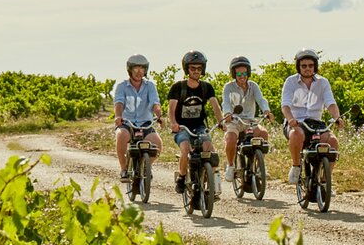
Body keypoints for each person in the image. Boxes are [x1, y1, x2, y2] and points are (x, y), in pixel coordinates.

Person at [281, 48, 343, 184]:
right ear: (299, 67)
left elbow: (330, 103)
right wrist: (290, 119)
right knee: (297, 134)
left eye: (310, 65)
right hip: (296, 122)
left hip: (316, 124)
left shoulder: (323, 82)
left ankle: (325, 181)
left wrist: (336, 117)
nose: (307, 69)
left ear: (315, 66)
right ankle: (296, 166)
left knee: (333, 142)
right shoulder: (290, 82)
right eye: (304, 66)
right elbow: (285, 105)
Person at [168, 50, 225, 195]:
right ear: (187, 69)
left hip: (199, 127)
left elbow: (215, 106)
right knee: (186, 148)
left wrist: (221, 121)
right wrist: (174, 123)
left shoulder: (206, 87)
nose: (196, 71)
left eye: (199, 68)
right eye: (193, 68)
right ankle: (181, 178)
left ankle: (209, 183)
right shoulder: (178, 87)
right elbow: (171, 109)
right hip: (182, 127)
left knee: (210, 152)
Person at [222, 56, 274, 182]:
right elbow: (226, 103)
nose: (242, 76)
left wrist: (267, 111)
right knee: (230, 139)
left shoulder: (253, 86)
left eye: (244, 73)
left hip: (250, 121)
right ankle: (230, 166)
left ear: (248, 73)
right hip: (235, 120)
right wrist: (228, 113)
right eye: (238, 73)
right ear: (234, 74)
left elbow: (261, 100)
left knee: (263, 134)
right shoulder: (228, 87)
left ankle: (260, 165)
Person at [113, 54, 163, 182]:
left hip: (145, 123)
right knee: (121, 135)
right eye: (136, 68)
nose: (139, 72)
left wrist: (159, 116)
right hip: (127, 123)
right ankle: (124, 169)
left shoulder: (150, 86)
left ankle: (146, 167)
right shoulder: (122, 86)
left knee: (157, 143)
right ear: (130, 69)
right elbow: (119, 103)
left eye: (142, 68)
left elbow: (154, 103)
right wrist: (118, 116)